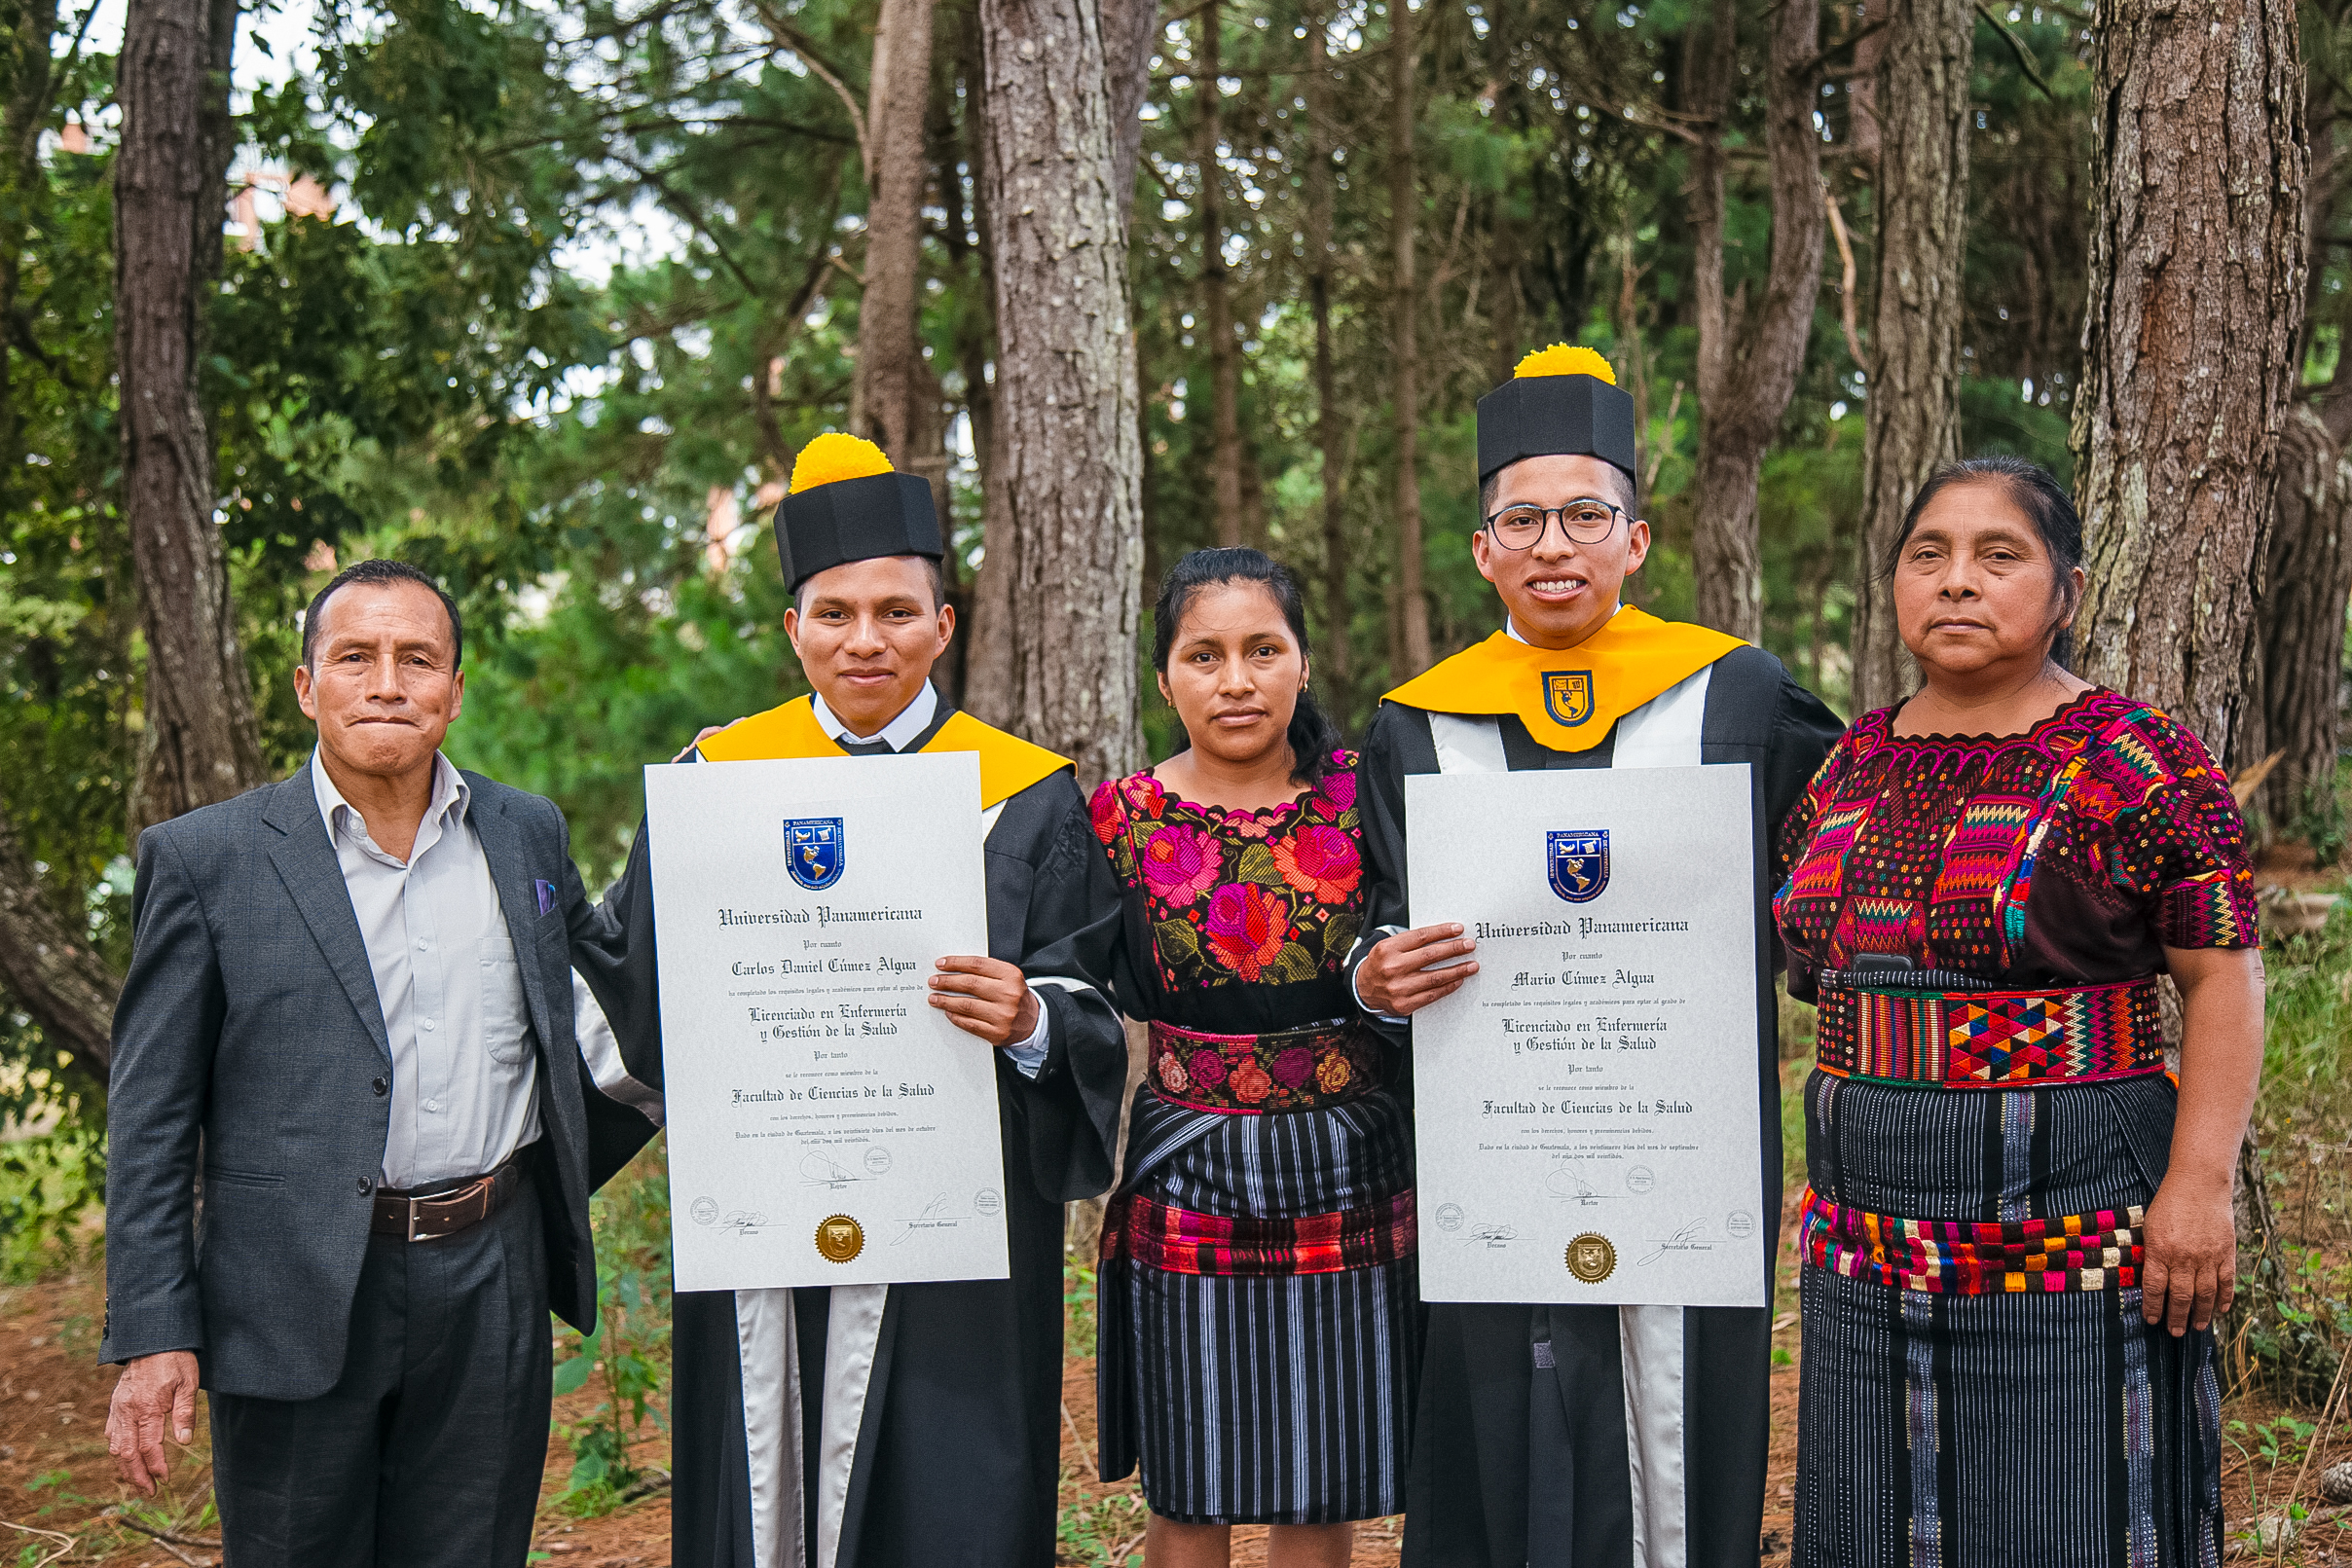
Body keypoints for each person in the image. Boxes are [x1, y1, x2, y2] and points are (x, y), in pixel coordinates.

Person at [572, 433, 1130, 1568]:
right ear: (793, 631)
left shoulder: (1023, 798)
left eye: (893, 611)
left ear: (943, 623)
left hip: (954, 1232)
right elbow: (634, 996)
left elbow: (1091, 994)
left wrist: (1028, 1020)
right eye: (833, 614)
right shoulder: (711, 785)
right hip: (766, 1215)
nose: (864, 640)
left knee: (953, 1498)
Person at [1348, 345, 1845, 1568]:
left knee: (1680, 1395)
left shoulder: (1736, 693)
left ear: (1634, 536)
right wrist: (1373, 972)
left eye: (1585, 514)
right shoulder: (1418, 722)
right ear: (1482, 549)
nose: (1553, 544)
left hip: (1679, 1133)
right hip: (1501, 1132)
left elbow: (1827, 882)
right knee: (1503, 1398)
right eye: (1522, 518)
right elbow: (1369, 908)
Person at [98, 558, 662, 1567]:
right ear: (309, 685)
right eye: (355, 657)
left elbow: (602, 997)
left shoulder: (525, 833)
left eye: (417, 659)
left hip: (492, 1268)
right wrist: (152, 1329)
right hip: (292, 1290)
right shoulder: (207, 860)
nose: (388, 682)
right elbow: (149, 1115)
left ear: (454, 688)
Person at [1776, 456, 2261, 1565]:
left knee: (2064, 1512)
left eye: (1999, 557)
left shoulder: (2134, 760)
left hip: (2076, 1225)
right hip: (1865, 1241)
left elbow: (2221, 977)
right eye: (1927, 555)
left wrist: (2198, 1186)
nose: (1956, 583)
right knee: (1871, 1518)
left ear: (2067, 593)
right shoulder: (1849, 762)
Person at [1088, 549, 1413, 1568]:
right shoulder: (1117, 819)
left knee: (1321, 1474)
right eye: (1205, 654)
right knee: (1190, 1477)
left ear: (1302, 664)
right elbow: (1065, 979)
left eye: (1262, 649)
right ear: (1164, 677)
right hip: (1186, 1160)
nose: (1236, 679)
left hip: (1348, 1155)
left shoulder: (1368, 800)